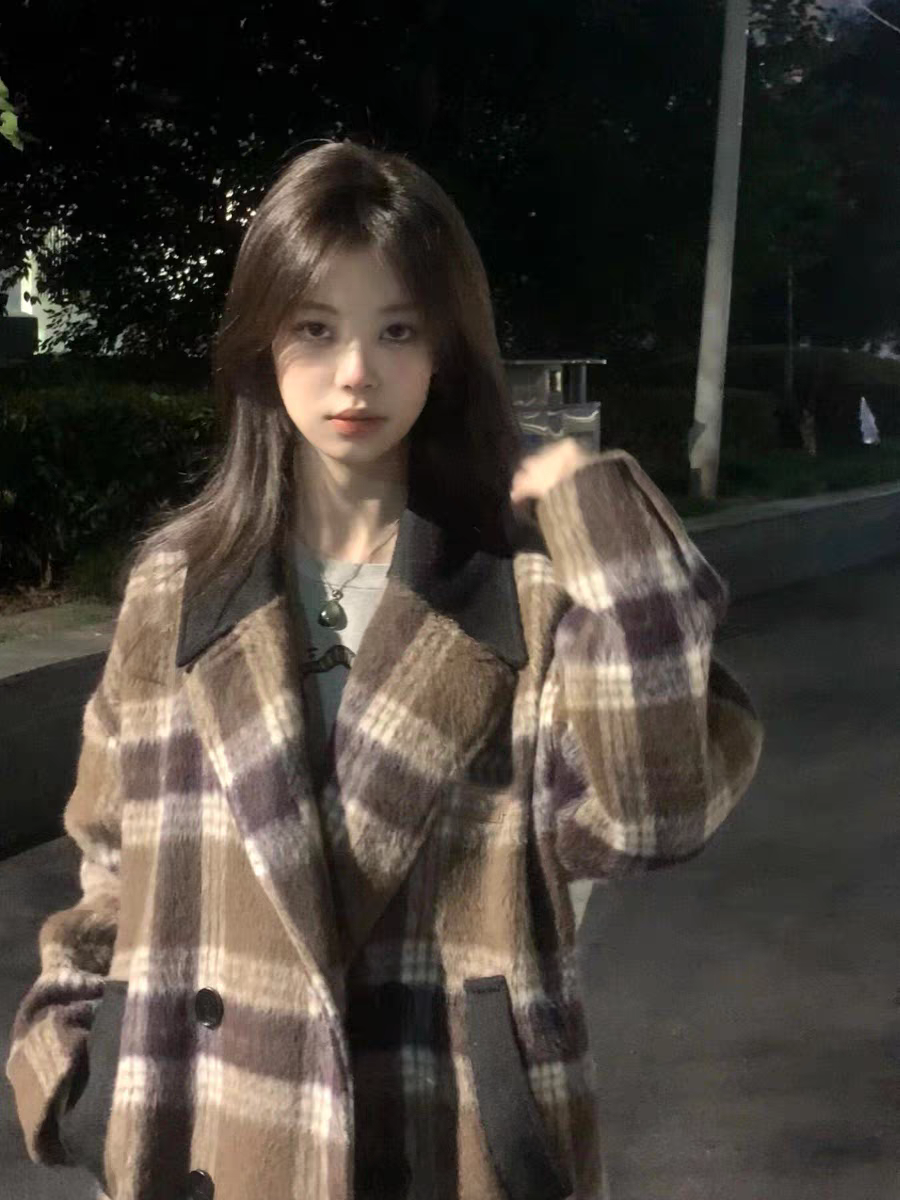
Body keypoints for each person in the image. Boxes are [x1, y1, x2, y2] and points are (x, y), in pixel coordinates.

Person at [5, 140, 764, 1200]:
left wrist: (603, 527)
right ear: (263, 342)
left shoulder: (522, 596)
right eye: (316, 328)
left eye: (397, 330)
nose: (356, 371)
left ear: (446, 349)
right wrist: (72, 1065)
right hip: (204, 1127)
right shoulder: (178, 586)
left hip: (450, 1138)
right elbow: (110, 854)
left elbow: (648, 821)